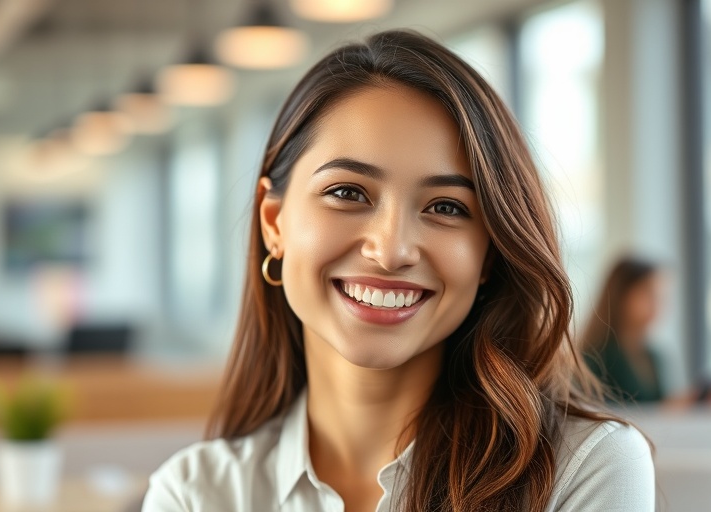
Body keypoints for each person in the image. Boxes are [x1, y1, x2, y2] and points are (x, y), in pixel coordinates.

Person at [143, 30, 654, 511]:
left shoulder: (585, 469)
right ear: (274, 222)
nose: (390, 251)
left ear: (489, 255)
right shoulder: (194, 494)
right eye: (347, 193)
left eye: (447, 207)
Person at [580, 257, 668, 403]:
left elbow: (658, 407)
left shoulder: (653, 356)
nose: (657, 304)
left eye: (661, 296)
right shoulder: (598, 355)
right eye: (648, 294)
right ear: (621, 295)